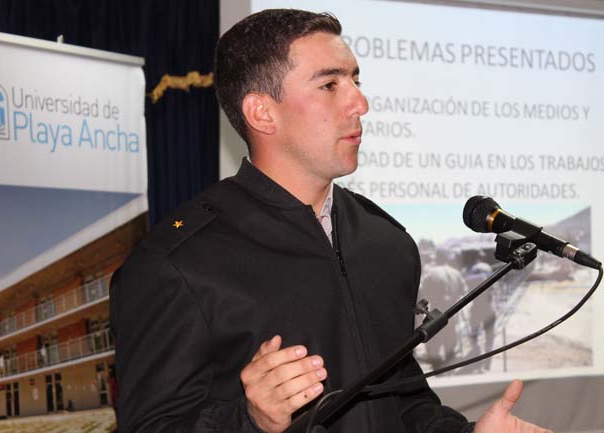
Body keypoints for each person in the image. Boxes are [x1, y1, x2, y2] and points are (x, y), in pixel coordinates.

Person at [110, 9, 552, 433]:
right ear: (262, 112)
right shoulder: (177, 263)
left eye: (356, 80)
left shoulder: (385, 240)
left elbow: (403, 404)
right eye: (329, 84)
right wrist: (250, 422)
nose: (360, 102)